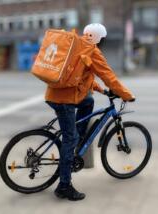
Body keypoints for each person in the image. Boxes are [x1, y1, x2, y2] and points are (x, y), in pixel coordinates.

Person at [45, 23, 135, 201]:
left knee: (89, 101)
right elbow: (109, 76)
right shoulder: (92, 51)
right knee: (69, 139)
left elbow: (81, 77)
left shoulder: (77, 45)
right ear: (100, 39)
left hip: (54, 94)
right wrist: (126, 95)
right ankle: (64, 186)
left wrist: (102, 91)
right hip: (65, 101)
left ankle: (78, 137)